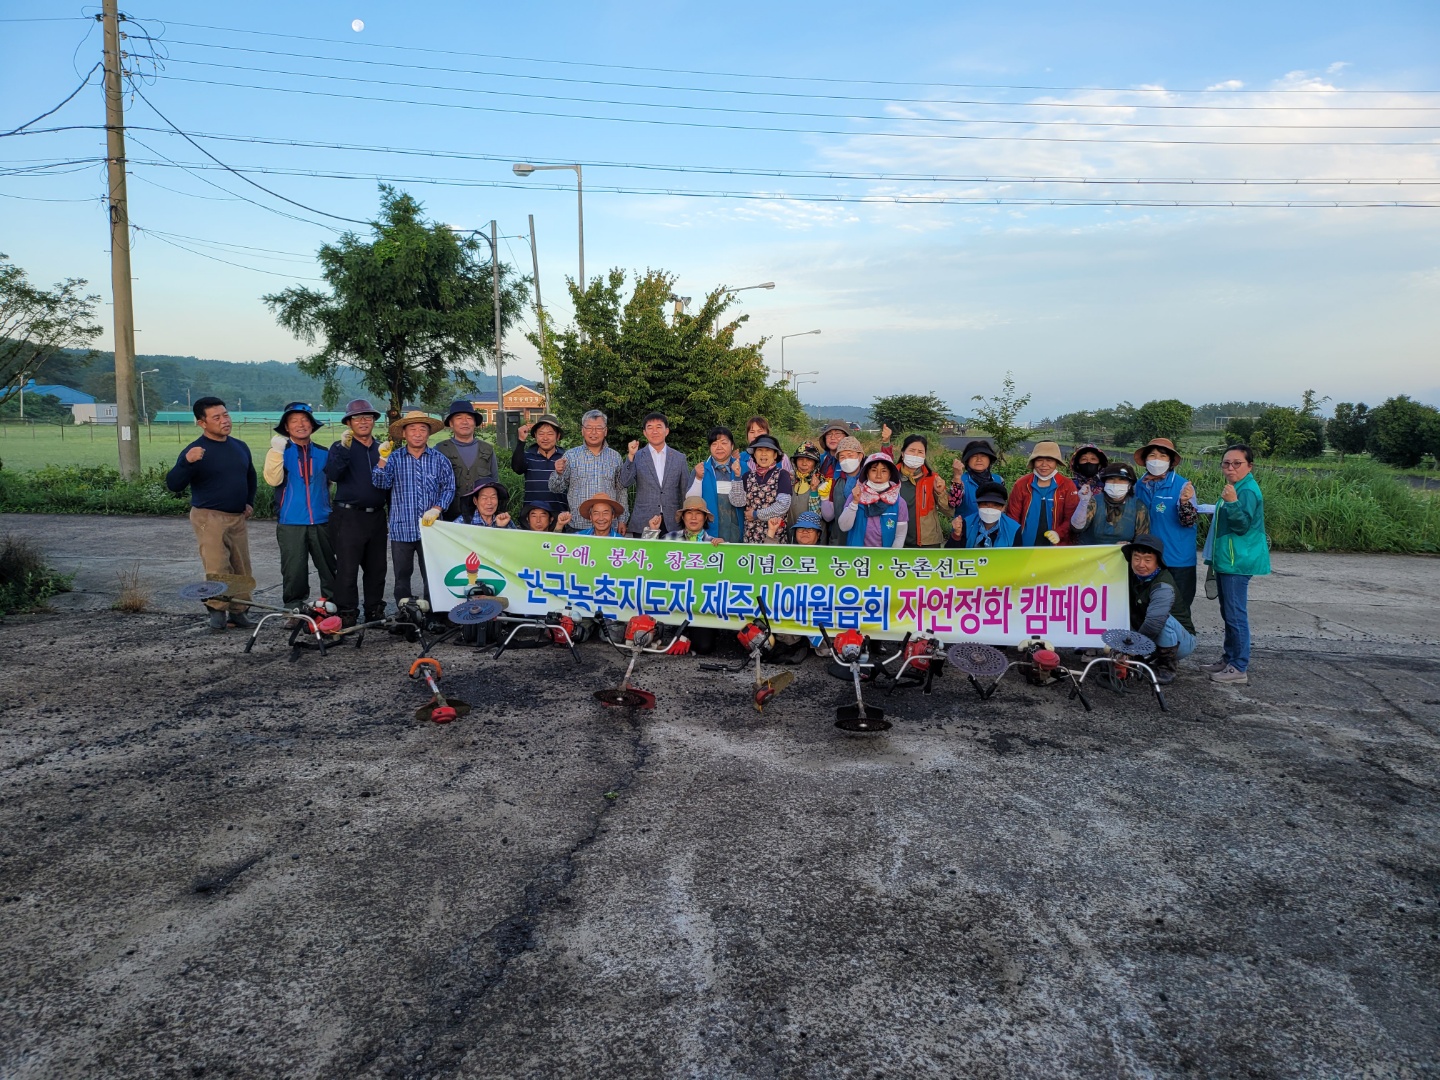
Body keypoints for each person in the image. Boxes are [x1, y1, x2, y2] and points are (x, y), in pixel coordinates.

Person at [165, 396, 256, 632]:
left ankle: (239, 612)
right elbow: (174, 484)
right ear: (201, 423)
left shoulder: (239, 446)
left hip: (237, 517)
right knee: (217, 566)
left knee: (241, 567)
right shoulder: (195, 451)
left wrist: (248, 501)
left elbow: (250, 477)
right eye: (216, 417)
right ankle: (217, 612)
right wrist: (186, 463)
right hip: (209, 517)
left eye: (225, 414)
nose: (224, 420)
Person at [371, 410, 454, 603]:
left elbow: (449, 487)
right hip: (402, 527)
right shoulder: (393, 458)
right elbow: (380, 483)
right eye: (413, 429)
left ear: (428, 433)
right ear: (404, 433)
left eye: (422, 429)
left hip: (432, 529)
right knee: (402, 576)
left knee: (432, 574)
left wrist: (438, 508)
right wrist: (382, 459)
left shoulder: (439, 459)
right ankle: (405, 614)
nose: (418, 433)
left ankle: (434, 614)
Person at [1205, 444, 1270, 686]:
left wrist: (1231, 503)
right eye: (1226, 463)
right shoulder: (1237, 487)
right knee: (1228, 612)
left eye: (1236, 463)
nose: (1230, 467)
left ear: (1249, 466)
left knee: (1235, 614)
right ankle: (1229, 659)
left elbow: (1242, 525)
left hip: (1238, 561)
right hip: (1228, 558)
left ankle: (1239, 666)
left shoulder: (1247, 491)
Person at [263, 401, 337, 610]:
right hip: (290, 521)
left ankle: (332, 606)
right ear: (286, 427)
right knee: (294, 569)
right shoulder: (279, 451)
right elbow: (273, 480)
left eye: (305, 420)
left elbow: (333, 480)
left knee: (329, 567)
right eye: (294, 421)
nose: (300, 425)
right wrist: (277, 452)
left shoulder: (324, 452)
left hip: (322, 520)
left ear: (312, 425)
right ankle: (294, 608)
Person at [323, 398, 389, 628]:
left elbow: (389, 483)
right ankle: (347, 612)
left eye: (367, 417)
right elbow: (333, 473)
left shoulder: (381, 448)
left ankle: (374, 610)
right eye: (357, 418)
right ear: (349, 422)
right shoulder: (340, 447)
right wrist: (343, 449)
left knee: (377, 568)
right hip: (348, 516)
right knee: (347, 568)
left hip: (377, 516)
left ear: (373, 421)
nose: (363, 421)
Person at [1133, 437, 1200, 633]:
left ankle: (1173, 654)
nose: (1157, 460)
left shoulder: (1183, 486)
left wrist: (1186, 502)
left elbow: (1189, 521)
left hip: (1177, 560)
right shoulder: (1139, 486)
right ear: (1145, 460)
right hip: (1147, 560)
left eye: (1162, 456)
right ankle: (1146, 655)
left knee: (1176, 611)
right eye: (1152, 455)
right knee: (1146, 609)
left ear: (1170, 461)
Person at [1124, 533, 1195, 685]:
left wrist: (1133, 650)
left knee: (1161, 619)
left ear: (1158, 562)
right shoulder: (1130, 575)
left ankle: (1167, 666)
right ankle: (1147, 657)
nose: (1141, 564)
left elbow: (1154, 623)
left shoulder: (1163, 585)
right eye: (1136, 558)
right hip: (1148, 636)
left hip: (1181, 641)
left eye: (1148, 560)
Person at [550, 409, 628, 532]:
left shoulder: (615, 457)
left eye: (598, 428)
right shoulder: (570, 456)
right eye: (589, 428)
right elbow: (555, 488)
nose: (593, 432)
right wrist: (558, 473)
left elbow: (621, 490)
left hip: (608, 527)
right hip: (577, 525)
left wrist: (622, 519)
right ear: (582, 430)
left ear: (605, 431)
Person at [619, 411, 690, 536]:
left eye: (659, 427)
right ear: (644, 433)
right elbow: (625, 482)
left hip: (673, 522)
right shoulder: (638, 456)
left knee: (671, 555)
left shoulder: (679, 458)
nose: (654, 431)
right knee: (644, 555)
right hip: (643, 521)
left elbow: (685, 491)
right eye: (650, 428)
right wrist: (630, 456)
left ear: (666, 431)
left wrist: (687, 520)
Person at [1005, 441, 1078, 547]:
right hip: (1024, 545)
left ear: (1056, 463)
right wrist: (1015, 541)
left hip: (1056, 546)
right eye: (1039, 460)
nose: (1044, 465)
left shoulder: (1067, 485)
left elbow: (1071, 517)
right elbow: (1012, 517)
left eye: (1049, 460)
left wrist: (1059, 533)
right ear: (1033, 462)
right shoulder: (1021, 484)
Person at [435, 399, 498, 521]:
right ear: (451, 423)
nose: (465, 422)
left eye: (469, 418)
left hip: (480, 517)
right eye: (459, 418)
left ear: (474, 423)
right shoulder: (440, 449)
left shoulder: (487, 449)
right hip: (449, 516)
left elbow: (494, 482)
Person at [837, 452, 909, 548]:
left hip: (884, 559)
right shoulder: (856, 496)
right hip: (858, 558)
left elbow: (900, 536)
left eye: (884, 471)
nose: (878, 475)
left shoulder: (898, 502)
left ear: (890, 474)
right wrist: (854, 503)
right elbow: (844, 527)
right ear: (867, 473)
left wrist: (890, 557)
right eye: (874, 470)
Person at [689, 426, 746, 543]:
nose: (719, 447)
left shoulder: (744, 467)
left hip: (738, 530)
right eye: (714, 444)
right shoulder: (701, 469)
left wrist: (738, 475)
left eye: (724, 443)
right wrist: (698, 478)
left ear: (732, 445)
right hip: (709, 533)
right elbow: (690, 501)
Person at [731, 433, 792, 543]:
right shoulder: (747, 476)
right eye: (759, 450)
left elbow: (783, 505)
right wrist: (736, 477)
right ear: (754, 454)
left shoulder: (782, 475)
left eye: (768, 450)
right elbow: (737, 502)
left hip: (775, 537)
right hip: (751, 537)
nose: (763, 454)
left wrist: (755, 514)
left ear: (775, 455)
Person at [1071, 463, 1150, 545]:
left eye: (1122, 479)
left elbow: (1142, 540)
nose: (1116, 483)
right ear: (1105, 482)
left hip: (1123, 554)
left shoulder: (1138, 506)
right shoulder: (1094, 501)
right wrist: (1083, 503)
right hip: (1092, 554)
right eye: (1111, 478)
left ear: (1130, 484)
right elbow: (1077, 528)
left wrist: (1129, 546)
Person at [894, 434, 950, 548]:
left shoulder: (933, 478)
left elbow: (949, 511)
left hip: (928, 542)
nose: (916, 455)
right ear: (903, 453)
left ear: (924, 455)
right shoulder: (892, 477)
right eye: (912, 450)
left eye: (920, 452)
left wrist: (940, 493)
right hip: (896, 540)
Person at [511, 414, 568, 517]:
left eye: (550, 434)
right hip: (533, 516)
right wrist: (521, 441)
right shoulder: (528, 455)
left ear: (558, 436)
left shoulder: (565, 457)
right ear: (535, 436)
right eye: (541, 434)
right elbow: (517, 468)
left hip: (560, 516)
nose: (545, 438)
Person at [947, 481, 1020, 549]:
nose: (989, 509)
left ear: (1003, 508)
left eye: (995, 505)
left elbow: (1017, 558)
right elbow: (951, 556)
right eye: (985, 504)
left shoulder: (1013, 529)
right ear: (978, 506)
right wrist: (956, 534)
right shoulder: (966, 524)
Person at [822, 435, 866, 545]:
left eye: (850, 455)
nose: (846, 460)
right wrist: (824, 498)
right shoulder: (836, 482)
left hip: (864, 540)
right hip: (839, 539)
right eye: (842, 457)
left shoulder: (868, 481)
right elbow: (828, 516)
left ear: (860, 456)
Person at [949, 439, 1004, 522]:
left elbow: (1001, 506)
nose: (979, 459)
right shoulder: (961, 480)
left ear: (990, 460)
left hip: (992, 530)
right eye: (974, 456)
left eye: (983, 456)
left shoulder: (998, 480)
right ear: (967, 460)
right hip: (965, 529)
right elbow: (953, 503)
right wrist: (956, 477)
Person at [786, 442, 830, 529]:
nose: (804, 464)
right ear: (795, 462)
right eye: (800, 459)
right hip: (792, 535)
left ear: (815, 464)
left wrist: (814, 491)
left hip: (813, 536)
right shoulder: (791, 481)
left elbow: (819, 515)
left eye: (809, 460)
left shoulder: (823, 484)